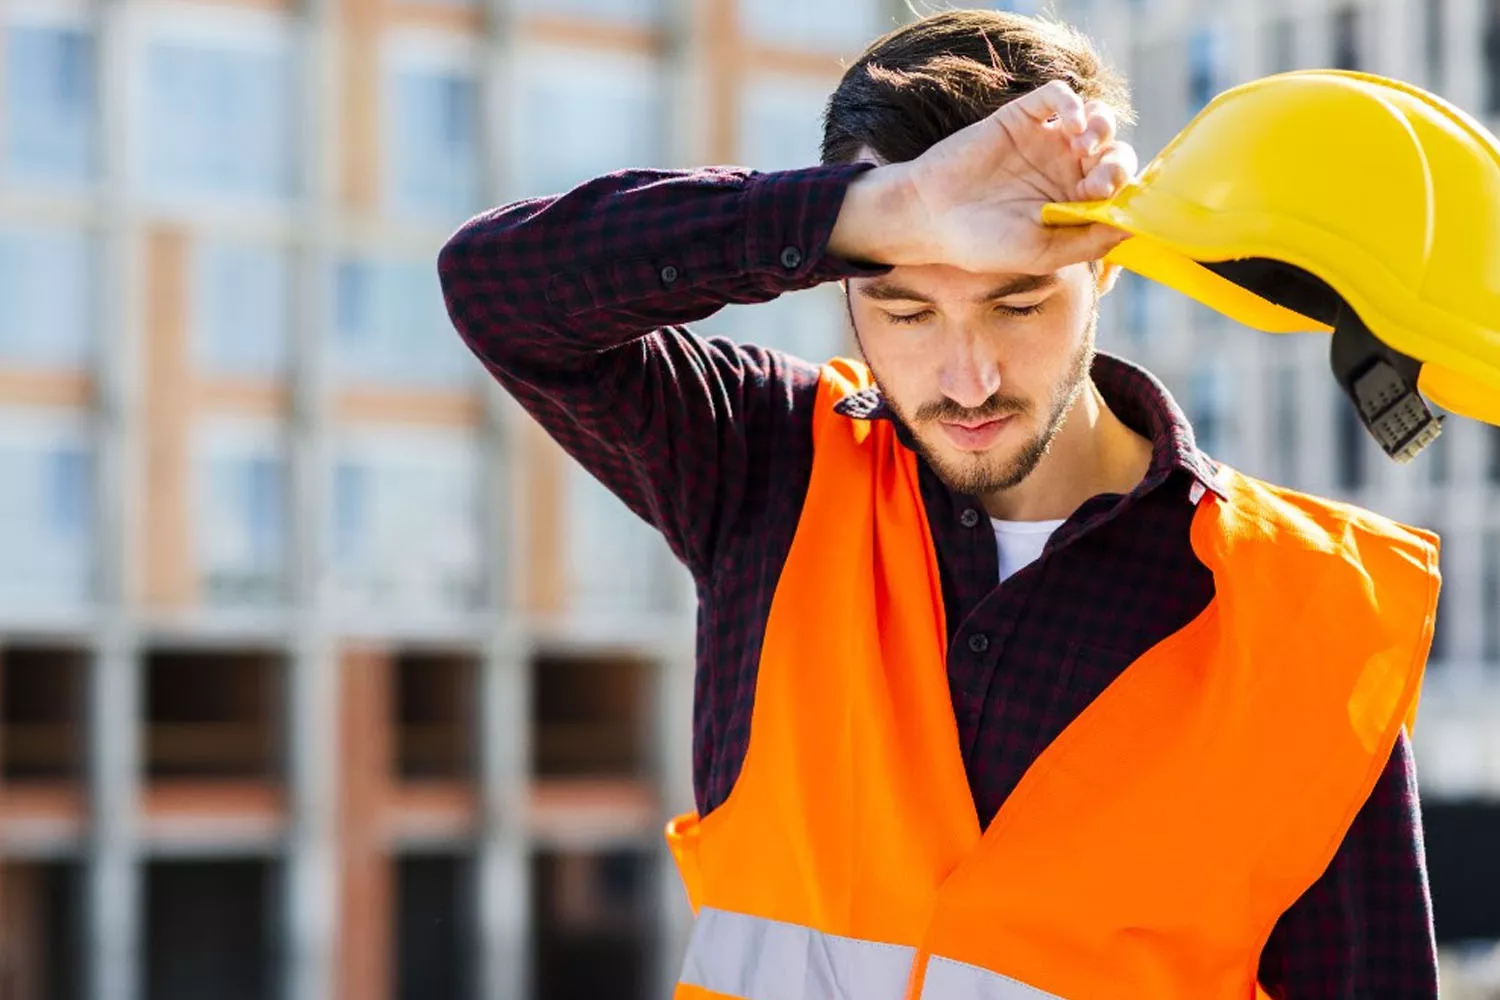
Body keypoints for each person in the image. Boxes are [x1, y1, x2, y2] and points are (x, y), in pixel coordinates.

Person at [439, 9, 1440, 998]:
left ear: (1106, 265)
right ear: (843, 282)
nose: (966, 380)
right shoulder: (767, 463)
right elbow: (498, 288)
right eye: (905, 305)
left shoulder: (1309, 619)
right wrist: (879, 211)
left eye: (1018, 302)